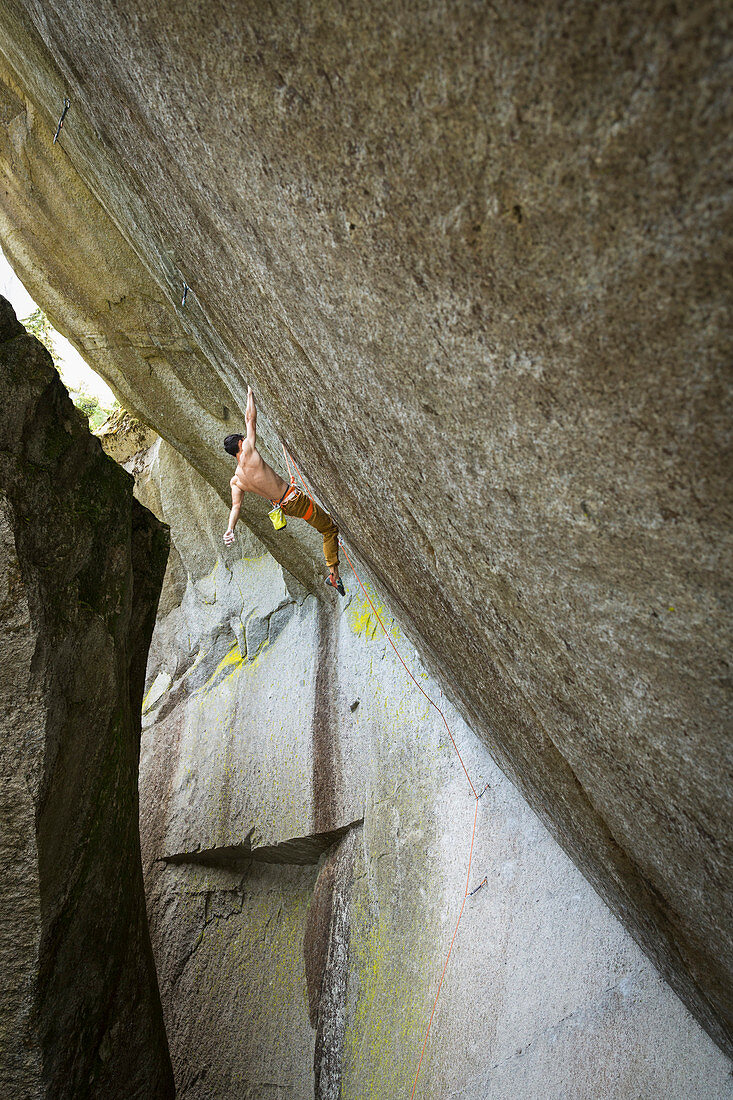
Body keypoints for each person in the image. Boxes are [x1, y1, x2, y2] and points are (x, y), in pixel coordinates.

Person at [223, 387, 345, 595]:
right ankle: (333, 574)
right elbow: (250, 418)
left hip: (285, 506)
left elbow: (236, 506)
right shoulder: (249, 452)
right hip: (294, 500)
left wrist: (230, 529)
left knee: (324, 523)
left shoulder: (236, 480)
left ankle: (334, 569)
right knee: (329, 530)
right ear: (241, 444)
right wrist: (250, 393)